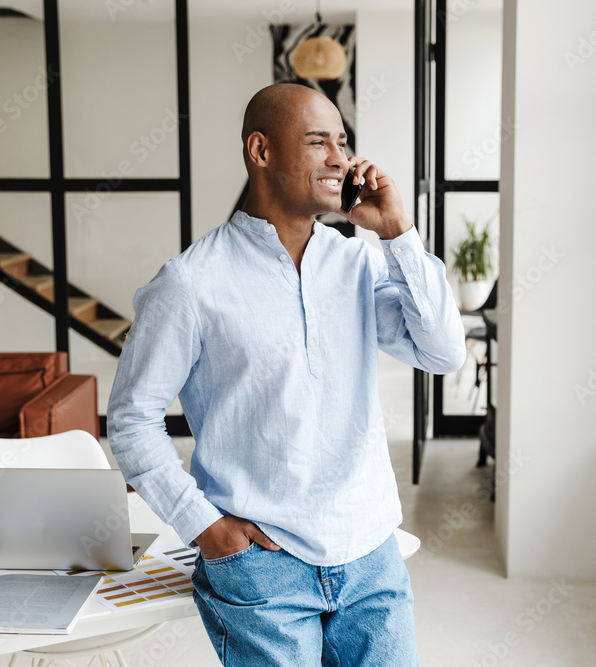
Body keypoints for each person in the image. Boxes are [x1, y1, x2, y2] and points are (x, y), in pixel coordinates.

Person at [107, 82, 466, 666]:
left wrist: (398, 231)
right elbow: (131, 420)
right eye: (318, 141)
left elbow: (444, 352)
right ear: (261, 150)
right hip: (261, 568)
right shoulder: (190, 284)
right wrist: (206, 528)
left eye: (343, 144)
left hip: (370, 550)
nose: (339, 159)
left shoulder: (359, 261)